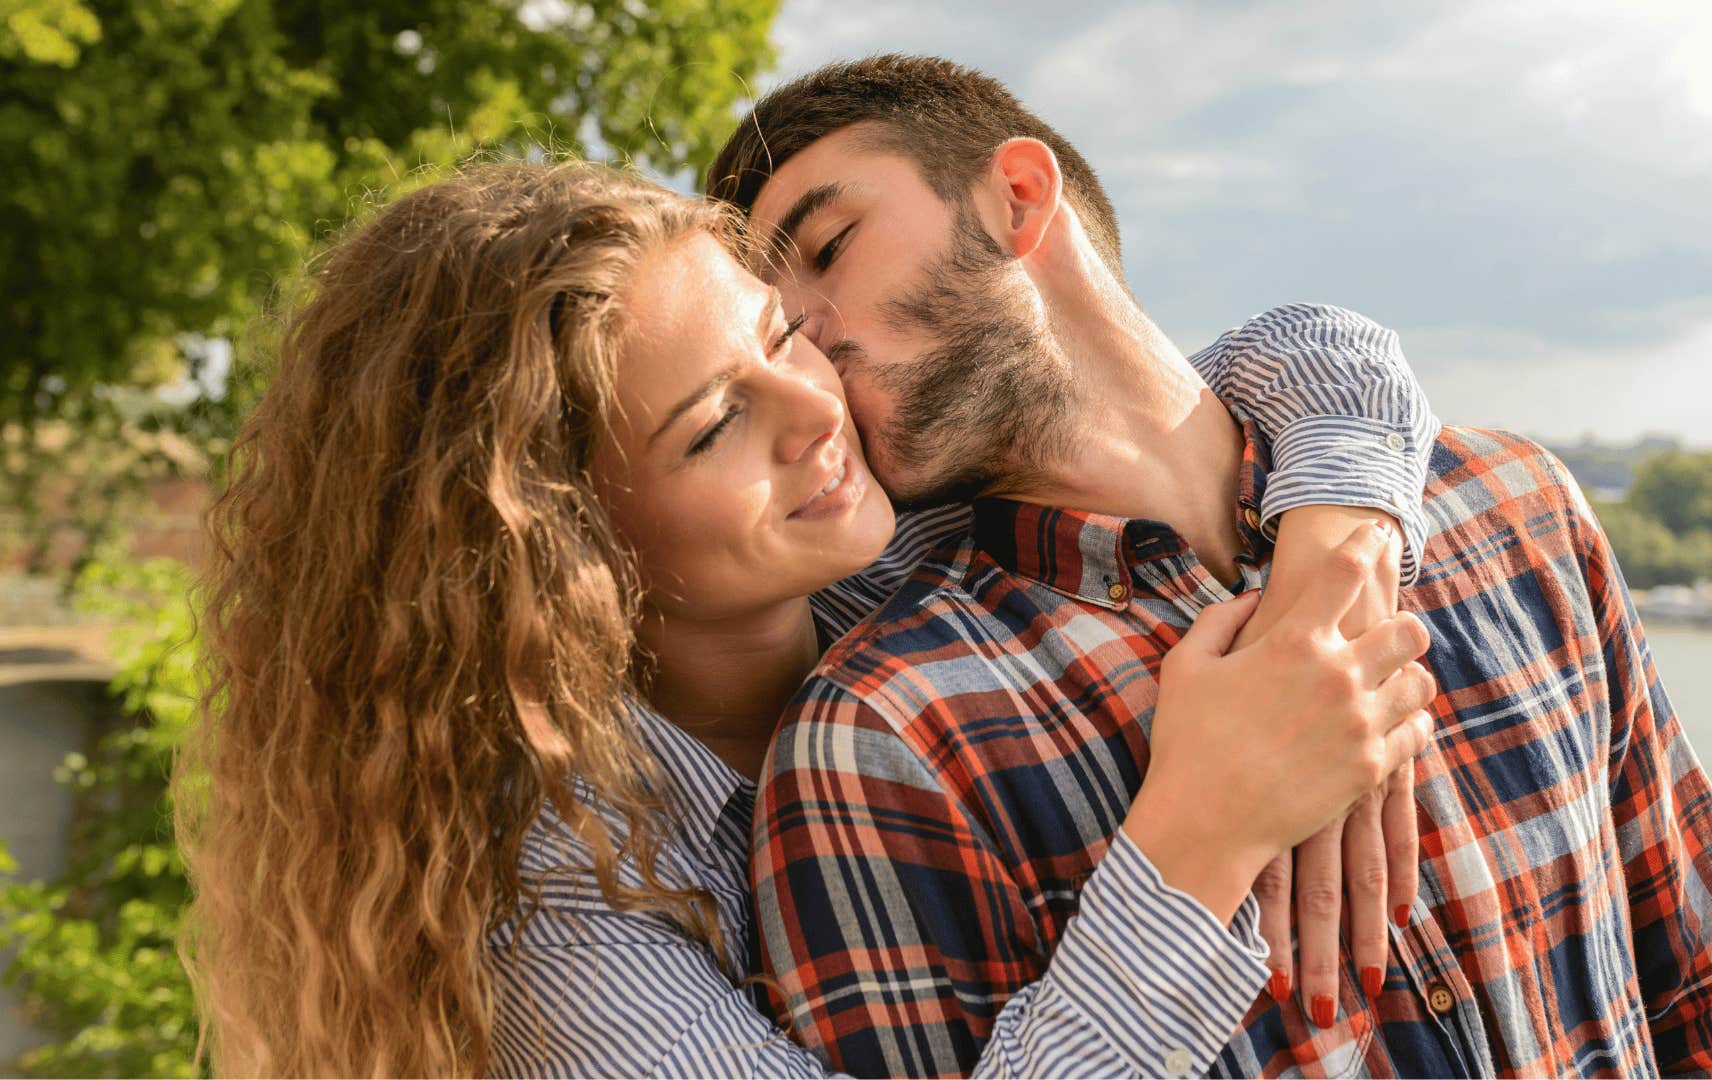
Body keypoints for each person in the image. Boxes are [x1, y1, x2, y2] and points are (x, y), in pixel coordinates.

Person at [179, 159, 1441, 1077]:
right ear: (558, 547)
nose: (816, 408)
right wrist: (1200, 837)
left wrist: (1335, 563)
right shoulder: (557, 915)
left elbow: (1297, 358)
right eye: (718, 424)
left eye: (785, 333)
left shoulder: (895, 551)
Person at [711, 55, 1712, 1078]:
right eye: (774, 329)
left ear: (1018, 198)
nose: (806, 335)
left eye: (828, 246)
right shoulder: (878, 742)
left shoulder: (1516, 508)